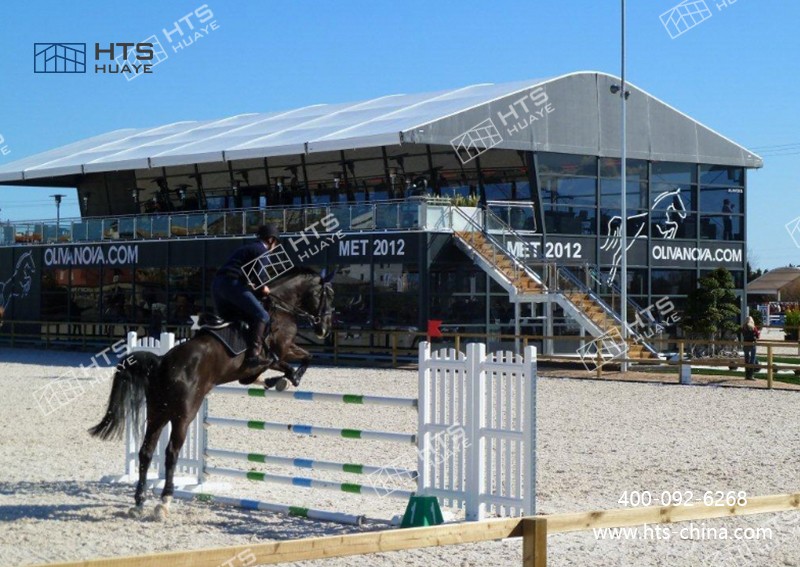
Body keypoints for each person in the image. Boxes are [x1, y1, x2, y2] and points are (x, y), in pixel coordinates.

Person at [212, 224, 280, 370]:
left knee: (235, 320)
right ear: (270, 239)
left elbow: (249, 277)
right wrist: (264, 288)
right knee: (263, 316)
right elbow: (258, 276)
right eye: (275, 243)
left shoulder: (248, 248)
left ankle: (231, 353)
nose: (275, 247)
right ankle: (253, 356)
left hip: (217, 286)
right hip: (231, 284)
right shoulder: (262, 250)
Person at [741, 316, 760, 380]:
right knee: (752, 359)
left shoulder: (744, 327)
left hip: (745, 344)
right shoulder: (753, 327)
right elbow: (757, 335)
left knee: (746, 359)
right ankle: (751, 375)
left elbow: (742, 334)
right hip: (752, 344)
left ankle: (747, 375)